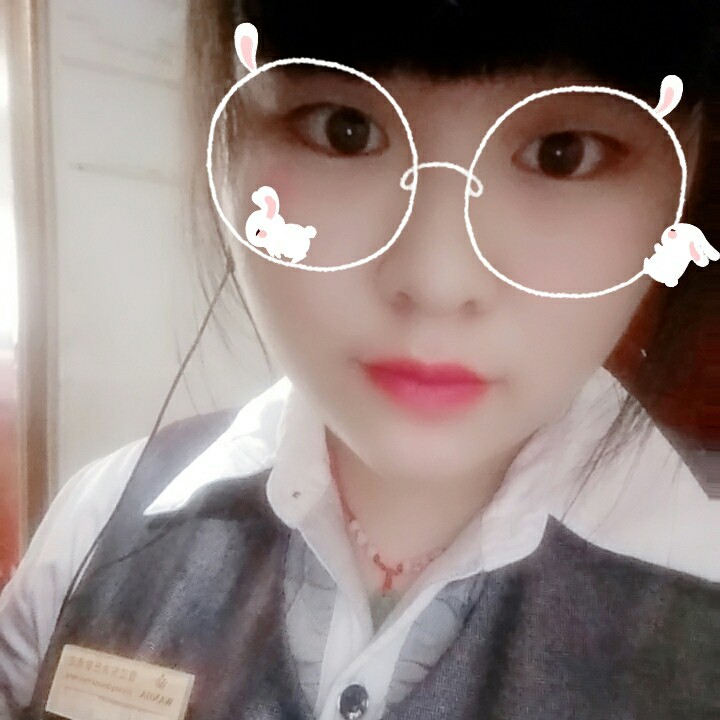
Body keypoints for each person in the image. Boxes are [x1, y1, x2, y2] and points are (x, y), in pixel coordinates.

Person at [1, 1, 719, 718]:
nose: (438, 279)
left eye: (563, 152)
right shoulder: (96, 527)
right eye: (344, 130)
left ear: (684, 166)